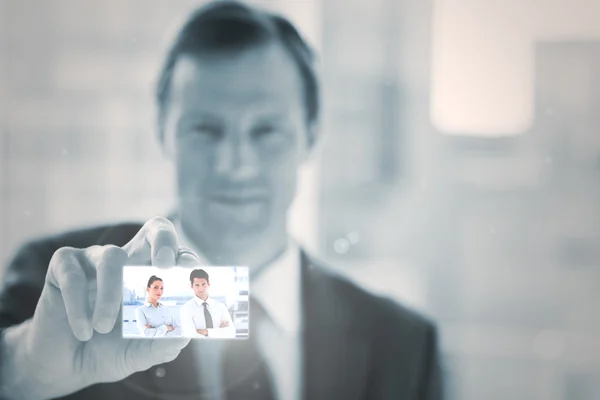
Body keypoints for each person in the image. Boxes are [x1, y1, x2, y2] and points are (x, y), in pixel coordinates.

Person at [0, 1, 444, 399]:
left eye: (265, 130)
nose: (234, 164)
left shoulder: (403, 346)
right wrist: (24, 373)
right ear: (163, 131)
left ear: (311, 135)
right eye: (205, 130)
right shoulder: (64, 295)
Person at [179, 269, 235, 339]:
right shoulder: (186, 309)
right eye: (197, 285)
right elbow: (190, 336)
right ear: (191, 286)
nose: (201, 288)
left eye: (203, 284)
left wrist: (207, 332)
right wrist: (219, 331)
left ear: (208, 284)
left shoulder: (220, 306)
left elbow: (231, 332)